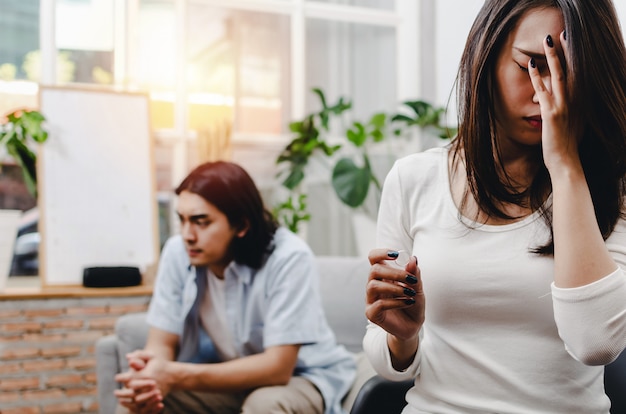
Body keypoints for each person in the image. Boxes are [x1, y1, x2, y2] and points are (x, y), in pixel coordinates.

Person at [363, 0, 626, 412]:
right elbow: (387, 363)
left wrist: (565, 165)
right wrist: (403, 335)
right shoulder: (414, 179)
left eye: (572, 73)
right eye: (534, 65)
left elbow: (595, 342)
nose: (550, 94)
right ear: (486, 53)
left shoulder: (613, 189)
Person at [114, 161, 356, 414]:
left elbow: (278, 368)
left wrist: (174, 375)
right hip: (231, 375)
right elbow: (161, 342)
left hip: (302, 375)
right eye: (182, 220)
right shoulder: (178, 252)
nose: (188, 234)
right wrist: (152, 376)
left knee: (264, 405)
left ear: (241, 225)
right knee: (138, 402)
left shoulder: (289, 257)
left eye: (201, 222)